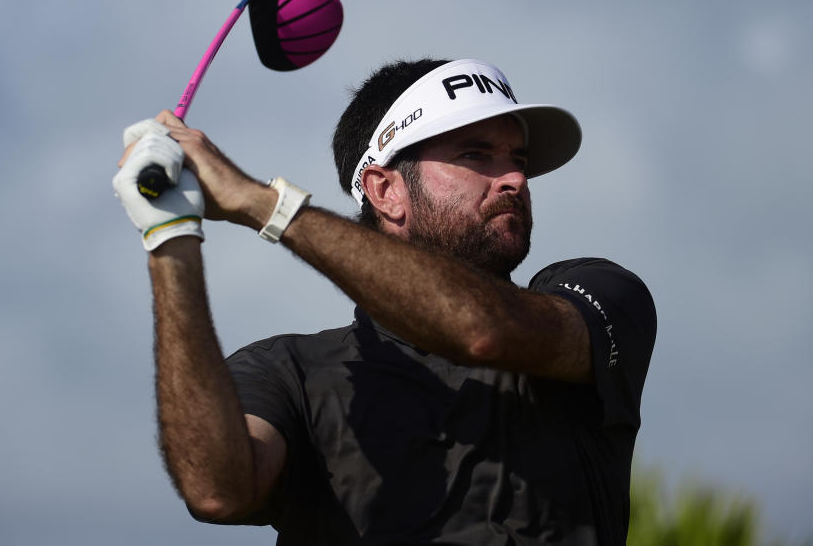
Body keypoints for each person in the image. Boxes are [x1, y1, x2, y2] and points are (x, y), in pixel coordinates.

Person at [113, 58, 656, 545]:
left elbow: (480, 328)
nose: (515, 177)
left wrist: (263, 204)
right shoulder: (289, 372)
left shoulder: (595, 297)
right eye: (476, 155)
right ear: (385, 191)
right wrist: (171, 238)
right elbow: (216, 490)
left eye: (518, 157)